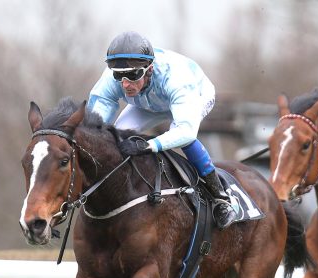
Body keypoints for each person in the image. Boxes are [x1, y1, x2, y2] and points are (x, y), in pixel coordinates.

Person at [87, 31, 236, 229]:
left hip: (195, 96)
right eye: (119, 75)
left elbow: (186, 131)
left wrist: (150, 145)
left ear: (149, 69)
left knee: (184, 139)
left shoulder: (176, 78)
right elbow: (93, 124)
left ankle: (220, 198)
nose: (125, 84)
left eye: (132, 75)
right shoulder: (114, 78)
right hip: (148, 103)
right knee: (118, 137)